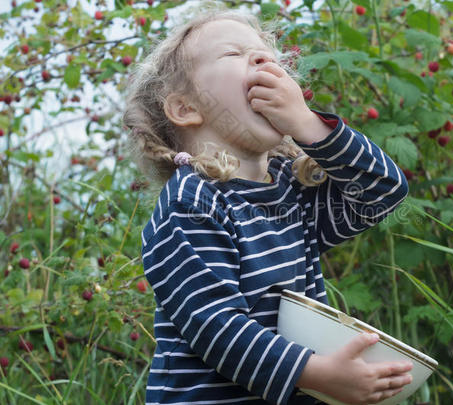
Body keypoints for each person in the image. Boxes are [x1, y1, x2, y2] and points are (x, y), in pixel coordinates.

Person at [122, 3, 413, 405]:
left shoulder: (289, 194)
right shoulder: (191, 204)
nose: (264, 58)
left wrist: (309, 124)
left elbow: (383, 192)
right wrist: (318, 374)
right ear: (185, 108)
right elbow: (217, 327)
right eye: (233, 54)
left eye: (267, 54)